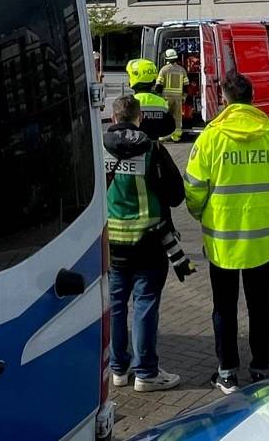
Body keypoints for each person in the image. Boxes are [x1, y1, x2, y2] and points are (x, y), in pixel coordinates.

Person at [184, 70, 269, 394]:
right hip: (262, 239)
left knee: (224, 306)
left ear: (225, 99)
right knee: (261, 303)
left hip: (222, 239)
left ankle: (227, 372)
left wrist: (199, 213)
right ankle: (261, 367)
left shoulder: (211, 136)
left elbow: (193, 189)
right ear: (251, 99)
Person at [102, 94, 186, 392]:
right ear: (139, 119)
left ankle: (117, 370)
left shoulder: (100, 150)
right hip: (149, 242)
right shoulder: (153, 149)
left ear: (113, 119)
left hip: (111, 244)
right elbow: (176, 195)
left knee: (115, 306)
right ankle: (146, 373)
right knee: (145, 306)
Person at [126, 57, 173, 141]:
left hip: (134, 147)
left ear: (135, 77)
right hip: (154, 144)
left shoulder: (129, 102)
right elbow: (170, 127)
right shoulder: (161, 102)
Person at [158, 47, 190, 142]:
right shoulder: (182, 70)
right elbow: (186, 85)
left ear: (167, 59)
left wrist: (157, 95)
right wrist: (184, 96)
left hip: (166, 98)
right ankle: (176, 136)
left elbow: (159, 85)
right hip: (178, 98)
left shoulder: (164, 70)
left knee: (165, 116)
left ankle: (163, 135)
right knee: (177, 117)